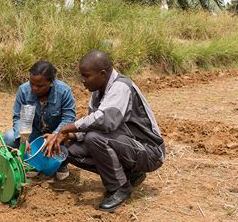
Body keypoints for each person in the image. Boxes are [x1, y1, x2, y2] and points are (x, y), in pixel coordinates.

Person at [46, 50, 165, 212]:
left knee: (95, 138)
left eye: (86, 76)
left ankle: (119, 188)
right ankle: (130, 174)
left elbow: (104, 120)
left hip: (149, 152)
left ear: (102, 74)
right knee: (70, 149)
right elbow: (91, 124)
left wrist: (66, 128)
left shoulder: (121, 87)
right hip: (127, 145)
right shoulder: (98, 91)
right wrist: (69, 135)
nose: (83, 81)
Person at [3, 60, 76, 180]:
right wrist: (23, 137)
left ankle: (62, 164)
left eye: (40, 85)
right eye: (32, 84)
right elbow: (18, 117)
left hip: (55, 135)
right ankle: (31, 162)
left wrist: (55, 135)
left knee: (72, 138)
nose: (34, 88)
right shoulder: (23, 90)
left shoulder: (64, 92)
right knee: (10, 138)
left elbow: (68, 118)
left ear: (51, 82)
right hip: (33, 134)